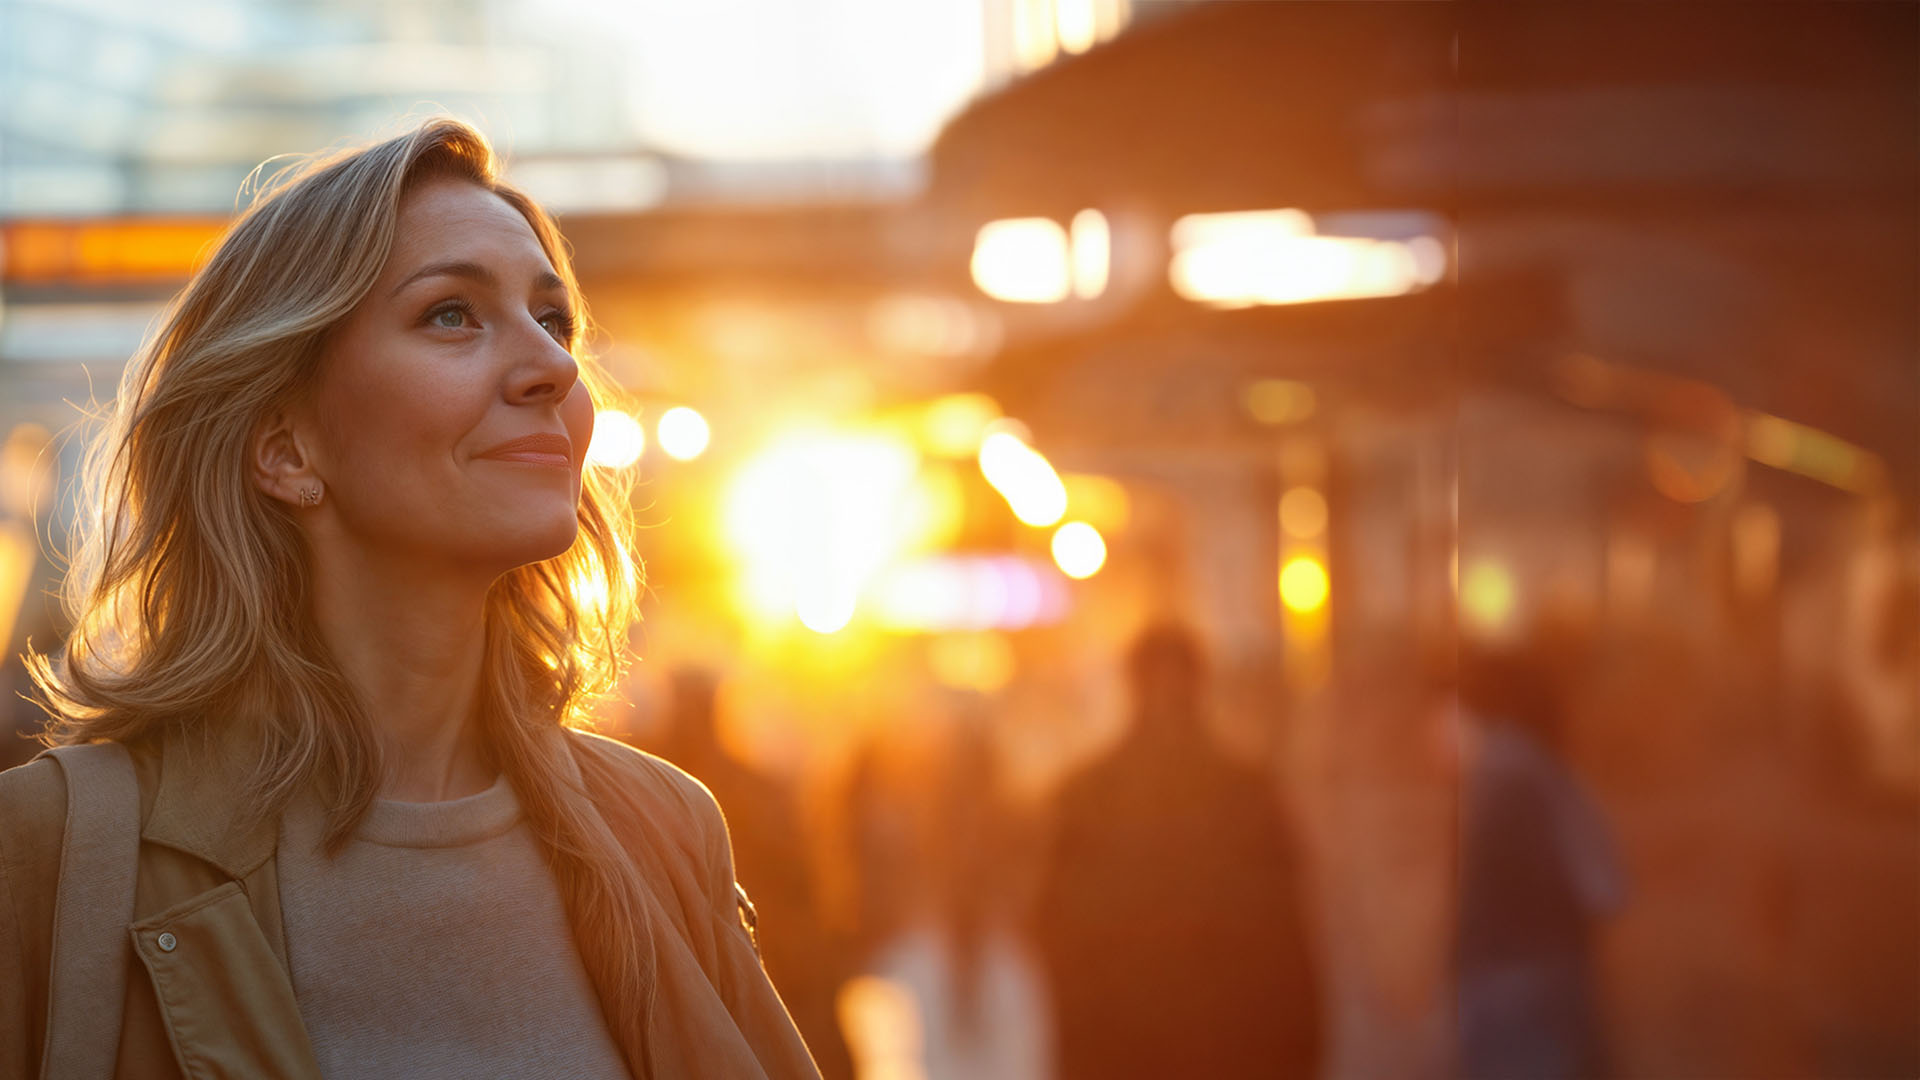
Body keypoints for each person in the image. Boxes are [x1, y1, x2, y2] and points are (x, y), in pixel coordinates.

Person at [0, 118, 820, 1080]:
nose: (556, 369)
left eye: (553, 322)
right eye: (451, 315)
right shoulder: (50, 854)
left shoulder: (667, 828)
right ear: (285, 446)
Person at [1034, 621, 1323, 1080]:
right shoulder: (1246, 793)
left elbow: (1282, 939)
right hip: (1153, 1049)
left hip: (1201, 1049)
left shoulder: (1246, 796)